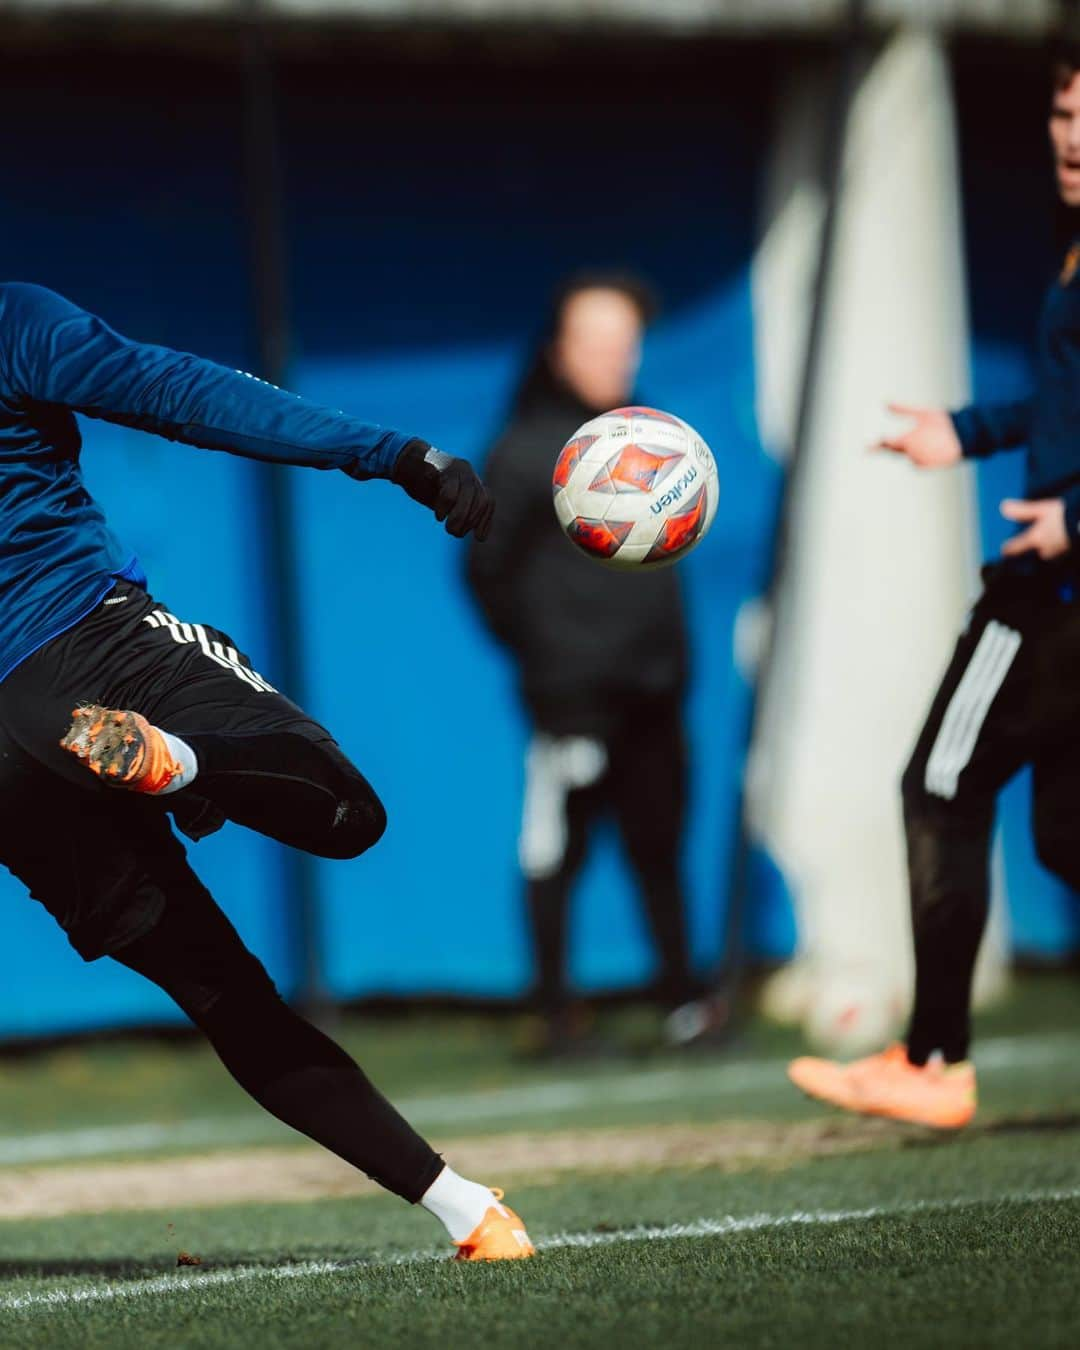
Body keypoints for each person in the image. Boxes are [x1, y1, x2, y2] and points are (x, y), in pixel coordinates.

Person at [0, 281, 533, 1261]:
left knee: (220, 991)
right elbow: (177, 389)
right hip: (84, 651)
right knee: (346, 812)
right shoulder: (11, 318)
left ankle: (468, 1210)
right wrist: (391, 452)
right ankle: (187, 766)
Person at [788, 47, 1080, 1130]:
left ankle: (933, 1060)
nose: (1072, 134)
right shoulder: (1071, 243)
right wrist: (958, 432)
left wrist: (1074, 521)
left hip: (1049, 593)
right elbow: (1064, 404)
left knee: (941, 785)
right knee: (1063, 839)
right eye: (1061, 109)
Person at [467, 273, 701, 1056]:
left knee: (660, 845)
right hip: (572, 700)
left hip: (654, 689)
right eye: (596, 343)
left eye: (625, 344)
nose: (613, 359)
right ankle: (555, 1012)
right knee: (556, 851)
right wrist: (548, 661)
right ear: (558, 349)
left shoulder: (656, 444)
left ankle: (685, 1001)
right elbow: (484, 571)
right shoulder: (528, 451)